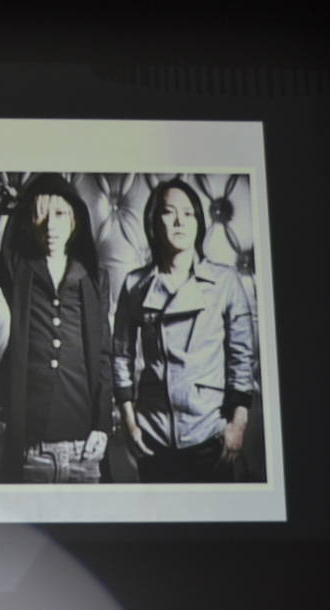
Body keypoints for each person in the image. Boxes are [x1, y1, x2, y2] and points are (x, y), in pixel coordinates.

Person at [0, 173, 111, 483]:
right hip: (30, 450)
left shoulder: (94, 277)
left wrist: (102, 424)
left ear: (75, 220)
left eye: (59, 214)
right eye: (40, 214)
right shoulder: (15, 268)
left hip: (85, 448)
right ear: (28, 221)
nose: (50, 225)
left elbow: (103, 354)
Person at [112, 178, 255, 483]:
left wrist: (238, 424)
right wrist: (129, 422)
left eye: (189, 213)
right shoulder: (135, 285)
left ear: (199, 222)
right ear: (154, 223)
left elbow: (242, 358)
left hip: (210, 435)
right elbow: (121, 356)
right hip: (152, 436)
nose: (180, 221)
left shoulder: (225, 282)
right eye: (169, 212)